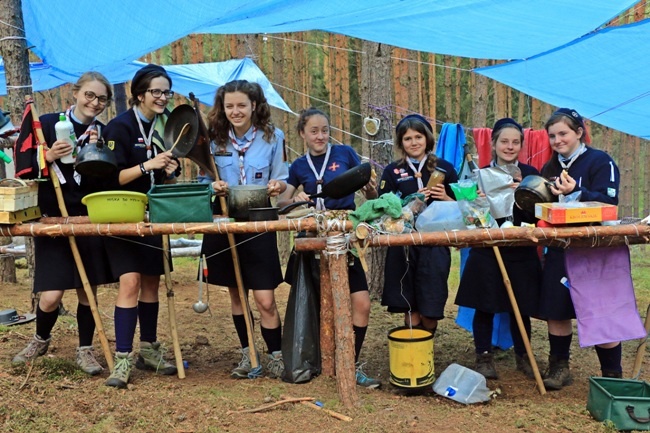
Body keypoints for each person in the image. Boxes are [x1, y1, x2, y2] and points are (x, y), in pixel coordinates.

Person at [12, 72, 115, 375]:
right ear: (75, 93)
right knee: (51, 294)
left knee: (87, 288)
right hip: (52, 216)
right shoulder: (45, 125)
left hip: (87, 215)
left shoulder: (104, 132)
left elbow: (108, 177)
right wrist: (47, 154)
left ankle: (85, 349)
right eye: (90, 95)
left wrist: (98, 154)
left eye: (102, 99)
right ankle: (40, 338)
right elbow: (22, 163)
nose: (95, 103)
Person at [277, 107, 380, 388]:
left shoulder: (345, 153)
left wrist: (370, 189)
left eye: (324, 130)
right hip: (311, 238)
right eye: (314, 131)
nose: (320, 136)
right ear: (302, 134)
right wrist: (294, 195)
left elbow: (370, 193)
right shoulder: (298, 166)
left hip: (345, 235)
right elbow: (283, 205)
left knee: (361, 303)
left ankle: (351, 363)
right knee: (319, 306)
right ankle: (320, 363)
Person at [201, 80, 287, 379]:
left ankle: (277, 354)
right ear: (222, 109)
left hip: (259, 221)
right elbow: (203, 180)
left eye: (241, 105)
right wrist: (212, 186)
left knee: (265, 298)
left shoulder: (273, 137)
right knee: (237, 295)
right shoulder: (213, 140)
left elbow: (282, 177)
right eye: (229, 106)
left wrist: (278, 185)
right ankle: (248, 353)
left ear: (254, 106)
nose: (235, 111)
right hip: (225, 223)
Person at [101, 64, 180, 388]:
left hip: (153, 217)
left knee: (150, 282)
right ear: (139, 94)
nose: (162, 98)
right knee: (130, 282)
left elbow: (163, 177)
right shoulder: (118, 127)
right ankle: (122, 358)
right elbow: (110, 177)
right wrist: (147, 164)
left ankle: (149, 348)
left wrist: (170, 170)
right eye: (156, 92)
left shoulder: (164, 128)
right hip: (121, 216)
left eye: (166, 92)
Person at [538, 108, 621, 390]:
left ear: (578, 132)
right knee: (557, 310)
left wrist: (578, 192)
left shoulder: (600, 161)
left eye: (563, 133)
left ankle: (612, 374)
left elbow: (610, 205)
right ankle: (559, 367)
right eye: (552, 136)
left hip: (594, 250)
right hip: (559, 249)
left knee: (599, 311)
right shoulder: (549, 169)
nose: (557, 140)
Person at [454, 118, 541, 379]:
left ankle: (523, 355)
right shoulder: (478, 175)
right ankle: (483, 357)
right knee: (485, 303)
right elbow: (468, 215)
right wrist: (475, 201)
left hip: (520, 248)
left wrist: (527, 193)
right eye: (504, 141)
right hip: (488, 247)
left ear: (521, 145)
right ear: (493, 143)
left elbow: (540, 213)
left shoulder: (530, 174)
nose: (510, 146)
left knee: (521, 306)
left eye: (515, 142)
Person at [378, 114, 457, 338]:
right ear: (401, 143)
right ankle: (412, 354)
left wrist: (445, 198)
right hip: (403, 243)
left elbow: (463, 209)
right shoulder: (392, 171)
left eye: (418, 137)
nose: (414, 142)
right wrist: (407, 205)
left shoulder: (445, 168)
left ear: (428, 138)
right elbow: (382, 208)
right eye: (407, 138)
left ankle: (426, 350)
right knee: (409, 306)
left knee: (431, 308)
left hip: (435, 243)